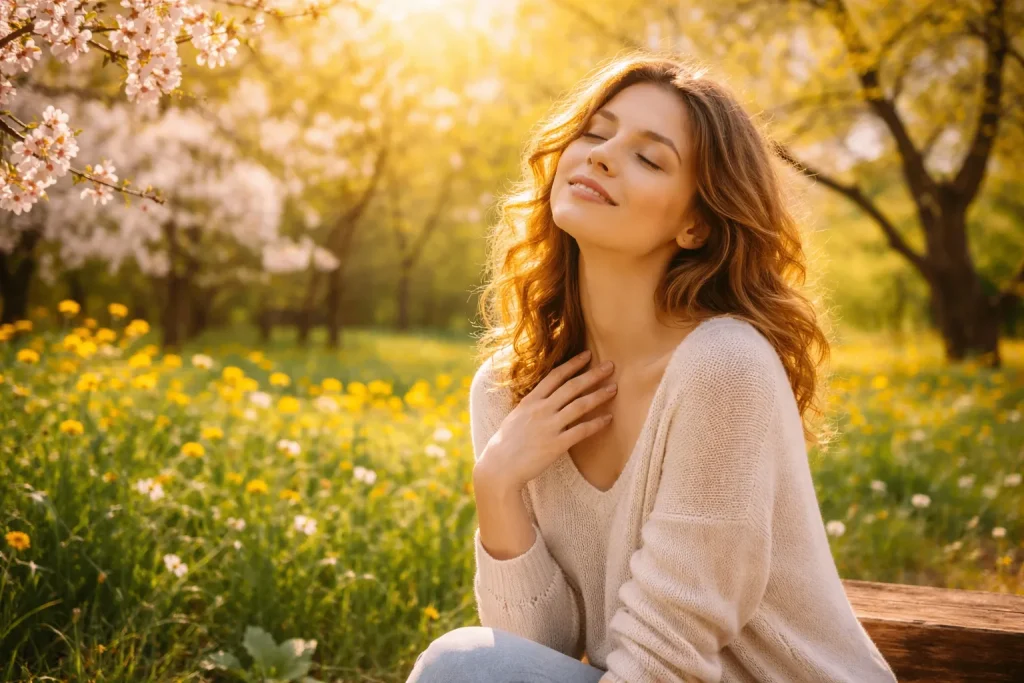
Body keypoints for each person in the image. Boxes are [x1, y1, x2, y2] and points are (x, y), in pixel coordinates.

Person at [407, 49, 898, 683]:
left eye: (649, 157)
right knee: (471, 665)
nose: (602, 155)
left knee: (460, 666)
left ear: (695, 223)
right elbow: (535, 652)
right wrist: (497, 485)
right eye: (595, 132)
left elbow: (666, 663)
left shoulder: (725, 367)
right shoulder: (509, 390)